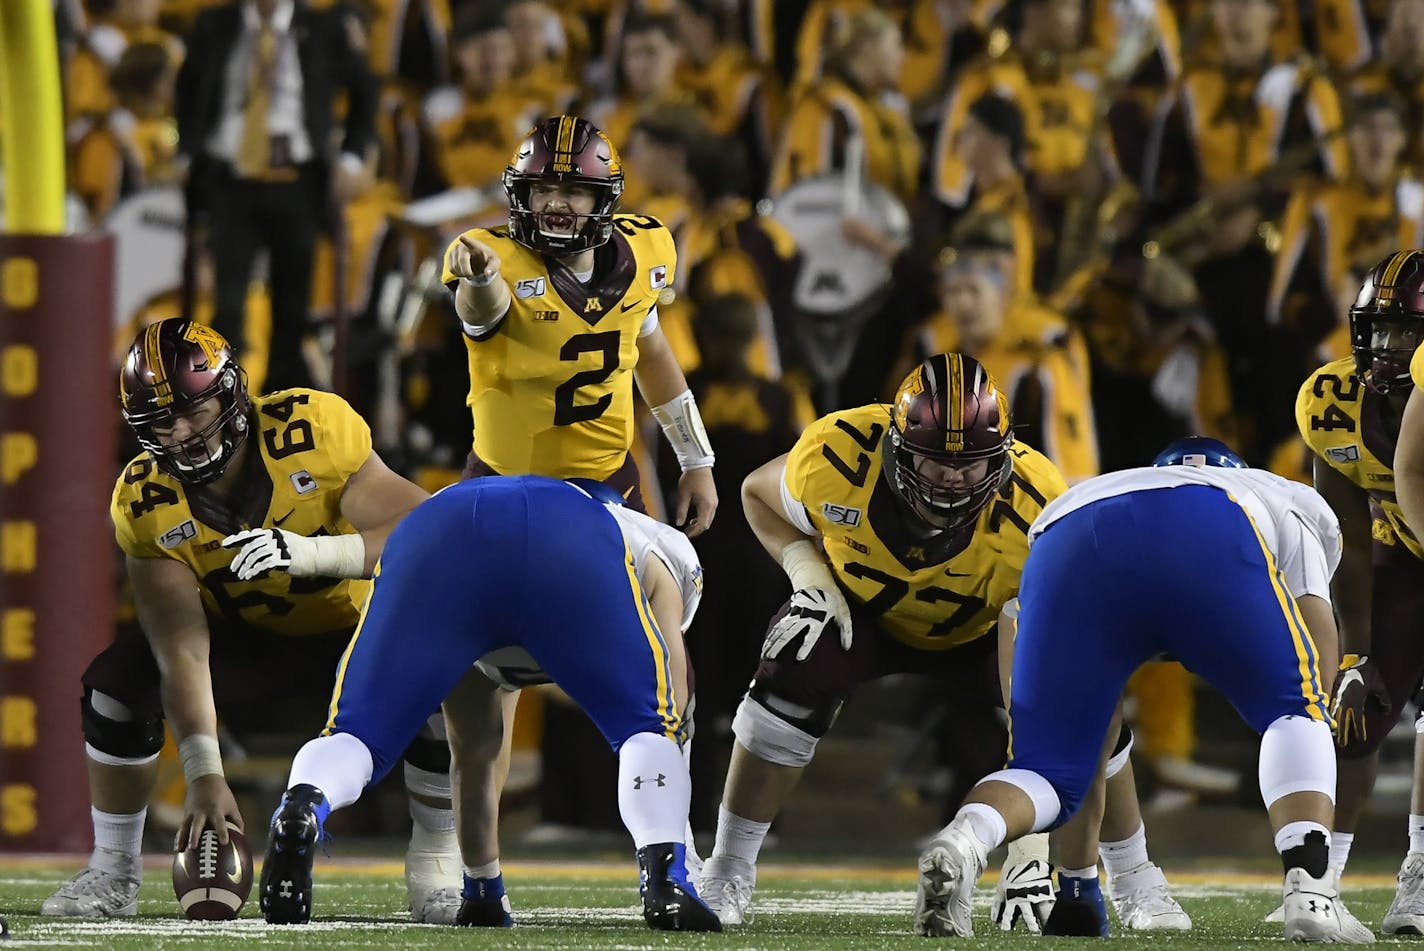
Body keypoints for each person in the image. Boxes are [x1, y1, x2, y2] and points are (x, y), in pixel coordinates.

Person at [695, 353, 1183, 930]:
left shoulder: (1035, 507)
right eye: (934, 460)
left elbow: (1032, 696)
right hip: (859, 608)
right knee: (788, 672)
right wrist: (807, 574)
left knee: (1084, 712)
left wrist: (1028, 857)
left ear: (1001, 458)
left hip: (983, 628)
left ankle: (1135, 878)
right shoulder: (838, 452)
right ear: (896, 444)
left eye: (971, 464)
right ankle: (726, 870)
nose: (953, 477)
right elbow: (756, 492)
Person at [42, 319, 459, 922]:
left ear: (231, 391)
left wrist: (317, 553)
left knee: (442, 665)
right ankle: (113, 870)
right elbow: (179, 646)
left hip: (348, 638)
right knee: (115, 687)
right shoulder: (146, 499)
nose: (182, 434)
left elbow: (428, 534)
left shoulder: (310, 429)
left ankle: (438, 867)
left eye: (195, 409)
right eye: (163, 422)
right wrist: (203, 772)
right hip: (238, 652)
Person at [913, 437, 1374, 944]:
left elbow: (1018, 630)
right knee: (1296, 709)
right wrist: (1315, 708)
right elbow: (1317, 646)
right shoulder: (1272, 495)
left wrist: (1078, 887)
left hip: (1070, 538)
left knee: (1045, 768)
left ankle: (966, 838)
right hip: (1214, 528)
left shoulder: (1091, 492)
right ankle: (1310, 894)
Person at [256, 476, 722, 933]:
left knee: (357, 734)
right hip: (566, 537)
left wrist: (484, 891)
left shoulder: (492, 524)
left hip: (440, 528)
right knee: (647, 725)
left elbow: (475, 755)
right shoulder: (652, 544)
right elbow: (670, 711)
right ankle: (666, 884)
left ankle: (304, 805)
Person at [441, 113, 716, 532]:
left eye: (574, 190)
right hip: (504, 483)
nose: (554, 202)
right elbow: (480, 313)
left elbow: (654, 354)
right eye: (543, 189)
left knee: (645, 593)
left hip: (609, 483)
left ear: (603, 200)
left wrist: (696, 459)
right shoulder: (492, 257)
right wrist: (481, 278)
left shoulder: (644, 252)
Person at [1293, 250, 1424, 935]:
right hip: (1399, 557)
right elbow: (1340, 526)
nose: (1387, 345)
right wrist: (1354, 650)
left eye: (1406, 331)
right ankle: (1321, 883)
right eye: (1379, 328)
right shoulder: (1332, 402)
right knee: (1356, 716)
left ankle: (1419, 877)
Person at [176, 0, 377, 391]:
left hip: (298, 183)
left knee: (292, 305)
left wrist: (351, 159)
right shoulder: (215, 24)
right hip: (231, 179)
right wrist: (187, 150)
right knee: (228, 302)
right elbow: (188, 87)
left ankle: (280, 405)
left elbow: (366, 90)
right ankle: (221, 400)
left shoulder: (323, 28)